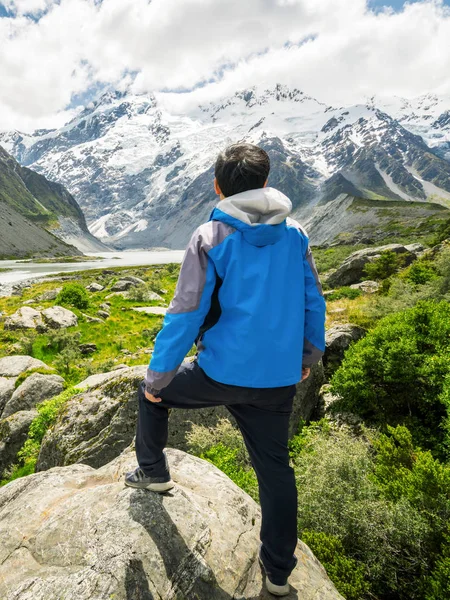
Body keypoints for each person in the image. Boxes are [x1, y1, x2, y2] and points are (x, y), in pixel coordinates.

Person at [125, 142, 326, 597]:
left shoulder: (210, 236)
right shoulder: (295, 234)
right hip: (277, 380)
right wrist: (308, 358)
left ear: (218, 186)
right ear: (267, 182)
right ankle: (277, 574)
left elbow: (185, 314)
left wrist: (158, 380)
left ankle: (153, 472)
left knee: (151, 395)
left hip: (219, 373)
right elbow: (314, 299)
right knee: (276, 470)